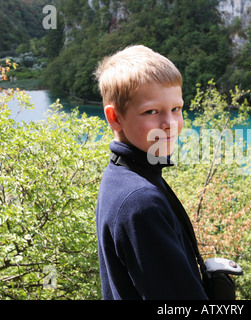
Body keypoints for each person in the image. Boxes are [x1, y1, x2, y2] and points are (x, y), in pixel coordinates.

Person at [94, 45, 208, 300]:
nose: (170, 124)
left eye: (176, 109)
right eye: (151, 112)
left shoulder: (121, 176)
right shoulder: (139, 200)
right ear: (115, 118)